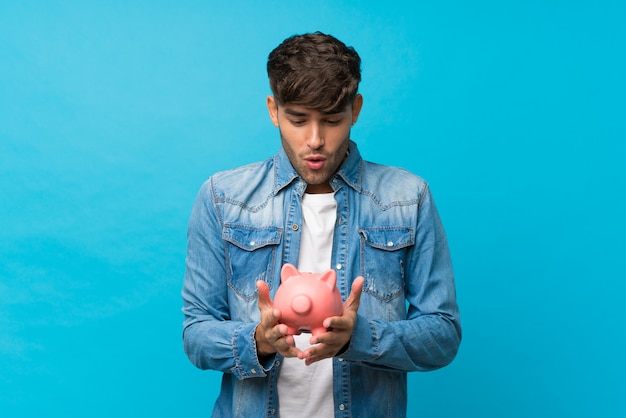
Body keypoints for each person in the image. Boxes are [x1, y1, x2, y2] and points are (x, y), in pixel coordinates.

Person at [182, 31, 461, 418]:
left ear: (356, 109)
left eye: (332, 120)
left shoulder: (407, 198)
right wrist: (258, 341)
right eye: (298, 120)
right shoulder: (222, 198)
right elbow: (195, 334)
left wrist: (359, 338)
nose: (315, 140)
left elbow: (443, 335)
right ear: (273, 110)